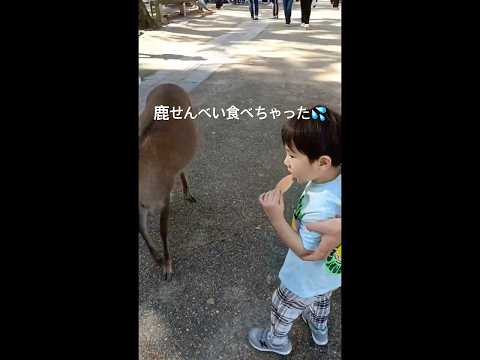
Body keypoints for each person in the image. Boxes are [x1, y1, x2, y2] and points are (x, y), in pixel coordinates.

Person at [248, 106, 342, 355]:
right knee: (322, 298)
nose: (285, 161)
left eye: (291, 155)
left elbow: (307, 252)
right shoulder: (333, 181)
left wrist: (276, 218)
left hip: (303, 278)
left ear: (323, 162)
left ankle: (276, 341)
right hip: (329, 276)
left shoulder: (318, 211)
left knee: (282, 306)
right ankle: (319, 328)